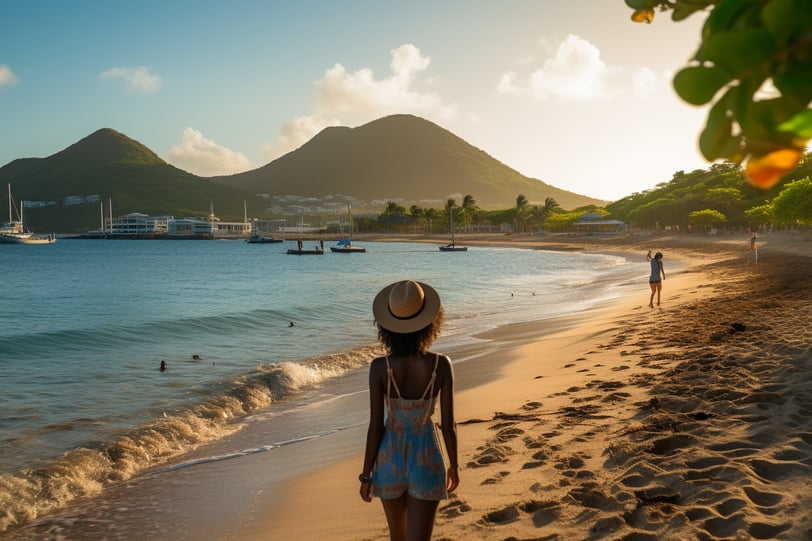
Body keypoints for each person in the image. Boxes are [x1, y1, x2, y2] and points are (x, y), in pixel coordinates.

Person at [360, 280, 459, 541]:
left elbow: (375, 427)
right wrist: (454, 466)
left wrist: (365, 474)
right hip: (427, 458)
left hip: (389, 459)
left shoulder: (380, 368)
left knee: (397, 537)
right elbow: (448, 425)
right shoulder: (441, 365)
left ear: (386, 327)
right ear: (430, 322)